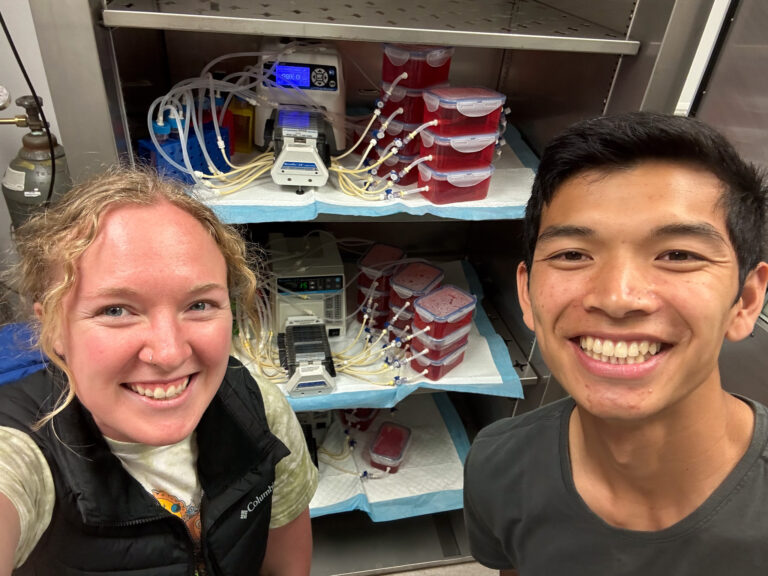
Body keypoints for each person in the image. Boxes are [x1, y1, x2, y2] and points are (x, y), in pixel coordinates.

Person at [463, 111, 768, 575]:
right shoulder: (499, 464)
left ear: (745, 300)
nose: (617, 298)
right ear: (526, 294)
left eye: (678, 255)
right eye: (572, 255)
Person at [0, 167, 318, 575]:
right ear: (54, 329)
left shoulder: (259, 407)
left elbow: (286, 566)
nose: (168, 354)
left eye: (199, 305)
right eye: (116, 310)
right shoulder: (23, 452)